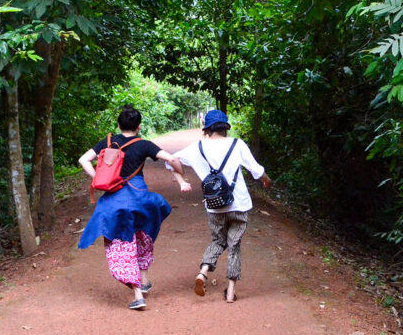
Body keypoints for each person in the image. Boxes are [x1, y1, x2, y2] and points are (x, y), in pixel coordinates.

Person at [77, 105, 191, 310]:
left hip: (115, 201)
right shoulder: (144, 144)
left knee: (122, 245)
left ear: (119, 125)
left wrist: (98, 179)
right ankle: (144, 280)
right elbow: (172, 159)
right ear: (138, 127)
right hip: (139, 200)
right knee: (141, 237)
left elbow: (83, 159)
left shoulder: (108, 142)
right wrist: (182, 177)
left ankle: (138, 294)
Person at [167, 109, 272, 303]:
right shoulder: (237, 144)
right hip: (239, 204)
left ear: (207, 128)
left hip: (215, 205)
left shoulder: (197, 147)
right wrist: (266, 180)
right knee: (234, 245)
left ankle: (203, 272)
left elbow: (171, 161)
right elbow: (256, 171)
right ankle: (231, 292)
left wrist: (181, 180)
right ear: (225, 127)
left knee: (218, 240)